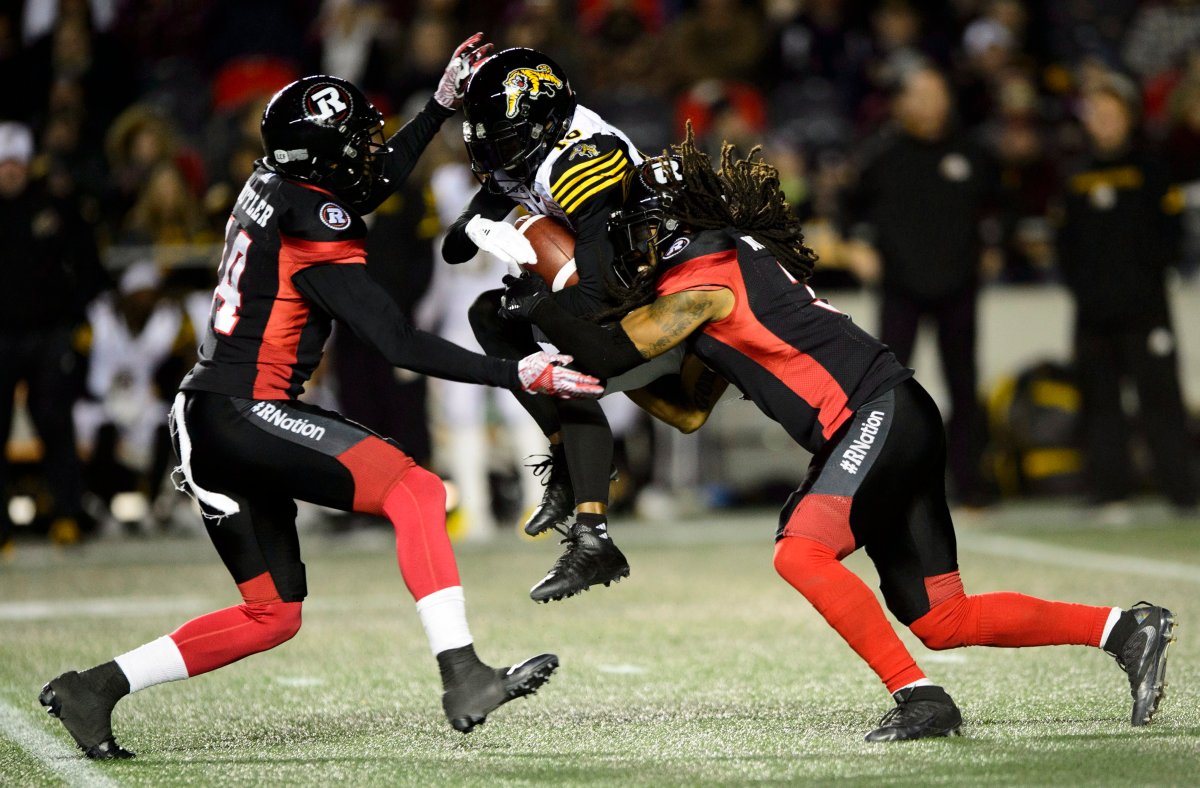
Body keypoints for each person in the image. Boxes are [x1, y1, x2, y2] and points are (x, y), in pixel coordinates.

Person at [499, 130, 1177, 741]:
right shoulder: (716, 274)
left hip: (874, 414)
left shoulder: (705, 277)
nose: (625, 252)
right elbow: (685, 410)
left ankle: (919, 697)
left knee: (801, 552)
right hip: (891, 417)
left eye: (631, 235)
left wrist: (545, 309)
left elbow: (619, 349)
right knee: (942, 618)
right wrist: (576, 372)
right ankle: (1124, 628)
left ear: (659, 228)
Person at [38, 39, 603, 760]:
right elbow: (396, 340)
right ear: (322, 161)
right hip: (245, 409)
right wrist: (518, 372)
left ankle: (92, 690)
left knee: (272, 614)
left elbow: (360, 184)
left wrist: (437, 107)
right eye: (354, 144)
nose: (368, 154)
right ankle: (462, 673)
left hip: (205, 415)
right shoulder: (316, 217)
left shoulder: (278, 183)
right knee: (418, 492)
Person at [443, 47, 680, 602]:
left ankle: (592, 530)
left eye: (504, 141)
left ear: (545, 123)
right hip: (605, 278)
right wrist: (486, 226)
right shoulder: (526, 151)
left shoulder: (583, 158)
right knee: (488, 317)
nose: (496, 157)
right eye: (489, 143)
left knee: (562, 358)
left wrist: (530, 283)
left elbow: (595, 298)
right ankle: (567, 466)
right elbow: (456, 247)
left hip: (652, 286)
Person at [842, 65, 999, 506]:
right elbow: (846, 207)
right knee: (888, 392)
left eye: (937, 93)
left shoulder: (974, 152)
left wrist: (994, 245)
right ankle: (885, 488)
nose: (929, 105)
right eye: (920, 95)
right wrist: (856, 245)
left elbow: (1000, 206)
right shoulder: (881, 154)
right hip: (900, 287)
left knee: (965, 388)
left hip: (959, 286)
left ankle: (972, 488)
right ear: (902, 103)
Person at [1055, 71, 1198, 518]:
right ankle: (1110, 491)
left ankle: (1182, 491)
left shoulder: (1153, 169)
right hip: (1093, 311)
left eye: (1112, 112)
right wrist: (1083, 289)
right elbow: (1065, 245)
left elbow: (1171, 237)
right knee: (1100, 401)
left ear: (1129, 117)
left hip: (1146, 307)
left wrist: (1149, 278)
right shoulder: (1074, 175)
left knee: (1161, 399)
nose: (1104, 121)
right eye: (1095, 113)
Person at [0, 121, 109, 548]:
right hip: (2, 336)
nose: (10, 171)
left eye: (16, 163)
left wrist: (74, 322)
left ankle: (68, 513)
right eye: (3, 164)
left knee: (55, 423)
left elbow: (90, 267)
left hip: (49, 334)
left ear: (29, 166)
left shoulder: (56, 207)